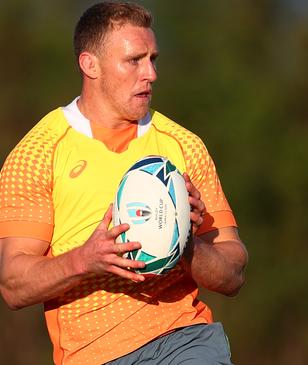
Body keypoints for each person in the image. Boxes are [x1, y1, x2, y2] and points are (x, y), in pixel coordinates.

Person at [0, 2, 247, 364]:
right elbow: (12, 285)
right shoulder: (38, 153)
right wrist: (86, 259)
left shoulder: (183, 146)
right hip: (94, 354)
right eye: (134, 60)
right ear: (90, 64)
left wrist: (184, 241)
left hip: (185, 340)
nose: (151, 73)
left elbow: (234, 272)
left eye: (153, 59)